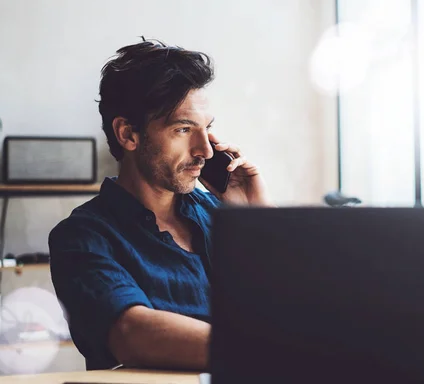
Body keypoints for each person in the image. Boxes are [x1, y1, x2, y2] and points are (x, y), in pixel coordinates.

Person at [48, 39, 272, 371]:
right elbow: (132, 334)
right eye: (183, 129)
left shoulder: (219, 215)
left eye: (206, 129)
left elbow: (288, 307)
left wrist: (255, 219)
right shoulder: (82, 237)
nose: (206, 151)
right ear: (128, 134)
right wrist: (278, 350)